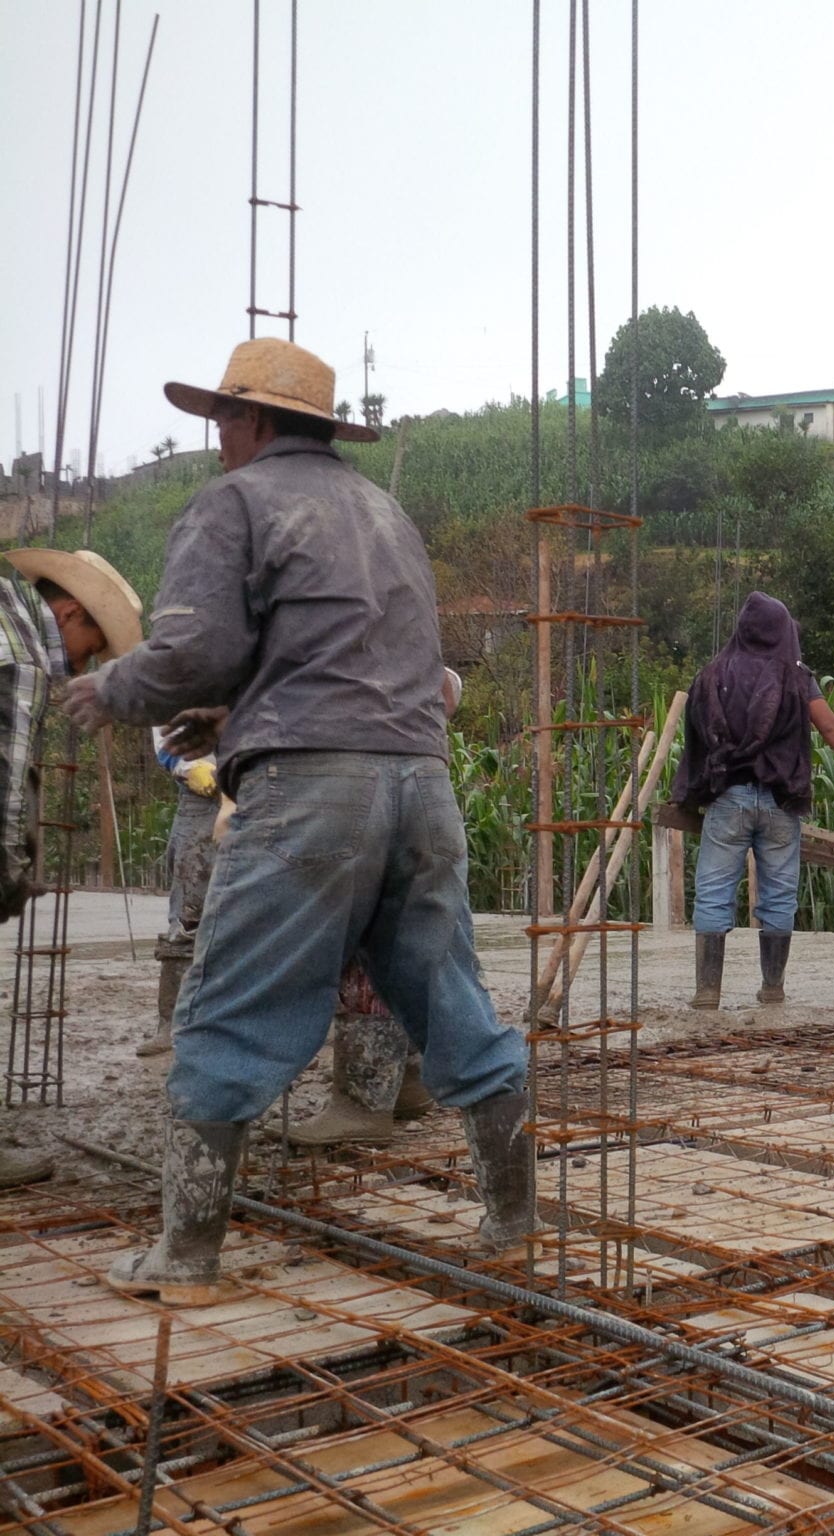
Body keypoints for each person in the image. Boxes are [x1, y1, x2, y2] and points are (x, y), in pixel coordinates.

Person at [65, 337, 533, 1304]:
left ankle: (187, 1260)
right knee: (452, 1003)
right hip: (420, 784)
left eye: (223, 418)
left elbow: (194, 649)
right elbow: (355, 661)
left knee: (226, 1008)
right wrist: (240, 714)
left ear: (257, 422)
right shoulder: (386, 512)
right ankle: (513, 1222)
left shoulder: (233, 503)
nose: (216, 436)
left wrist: (114, 688)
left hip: (313, 792)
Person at [674, 593, 834, 1011]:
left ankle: (708, 991)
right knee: (779, 896)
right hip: (781, 802)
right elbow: (829, 726)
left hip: (729, 800)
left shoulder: (713, 672)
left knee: (713, 892)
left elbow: (699, 737)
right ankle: (772, 986)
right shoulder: (796, 677)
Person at [0, 547, 144, 1188]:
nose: (84, 665)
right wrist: (8, 863)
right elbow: (6, 783)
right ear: (71, 611)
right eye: (91, 648)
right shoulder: (25, 660)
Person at [288, 666, 466, 1145]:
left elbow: (447, 689)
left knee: (366, 958)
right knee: (405, 951)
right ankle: (407, 1083)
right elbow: (447, 690)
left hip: (376, 797)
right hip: (415, 795)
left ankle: (363, 1106)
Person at [140, 727, 219, 1058]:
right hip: (202, 795)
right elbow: (166, 722)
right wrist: (189, 764)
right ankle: (170, 1024)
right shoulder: (180, 675)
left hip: (263, 789)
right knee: (187, 917)